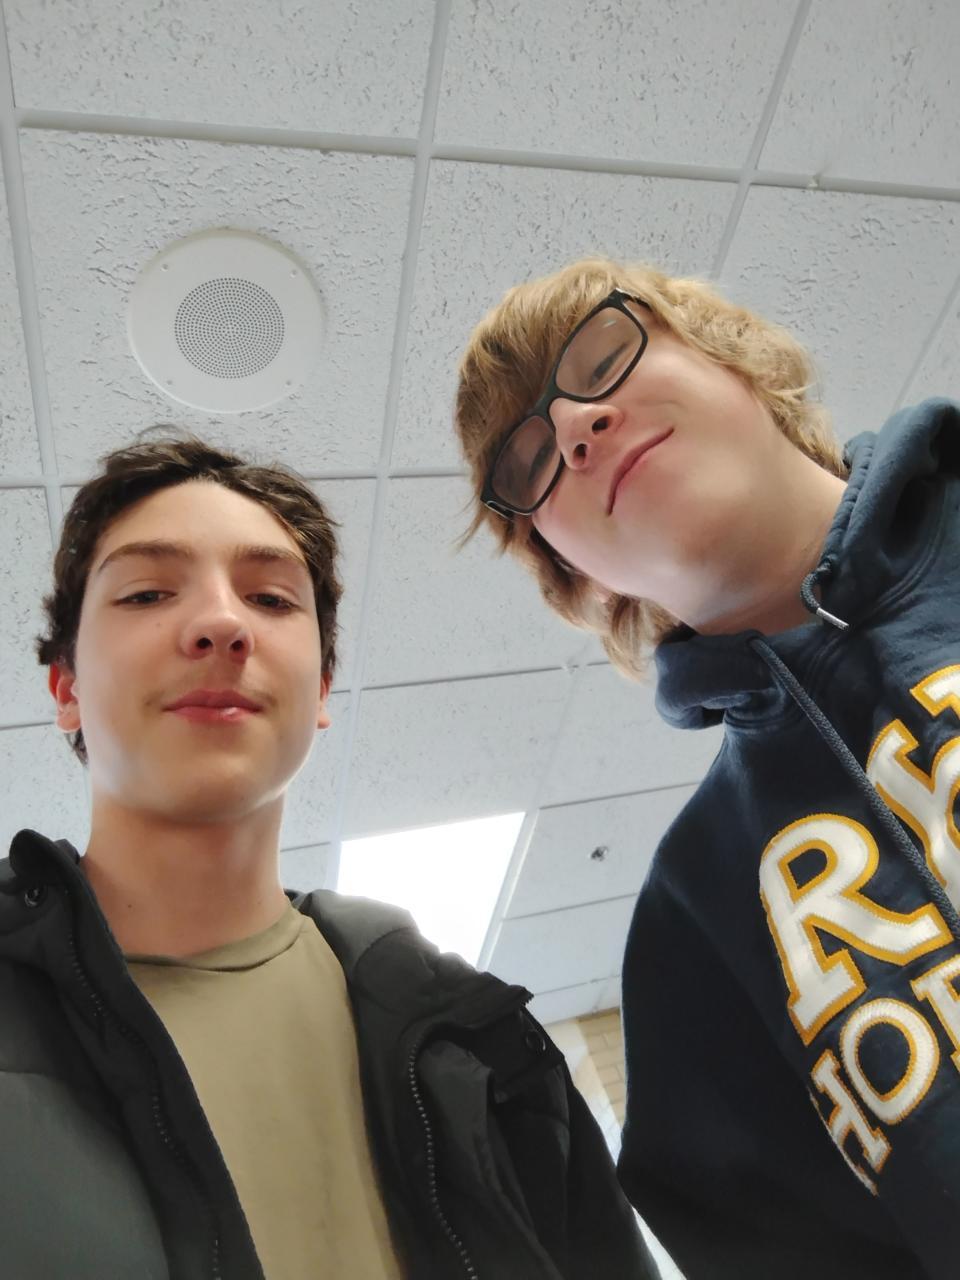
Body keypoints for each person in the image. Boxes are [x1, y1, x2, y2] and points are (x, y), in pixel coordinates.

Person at [0, 433, 654, 1279]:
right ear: (66, 690)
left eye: (271, 599)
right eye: (148, 592)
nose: (221, 623)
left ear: (319, 693)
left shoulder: (490, 1046)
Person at [453, 255, 960, 1280]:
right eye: (529, 461)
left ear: (737, 358)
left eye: (604, 355)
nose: (577, 428)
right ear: (573, 570)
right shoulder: (689, 939)